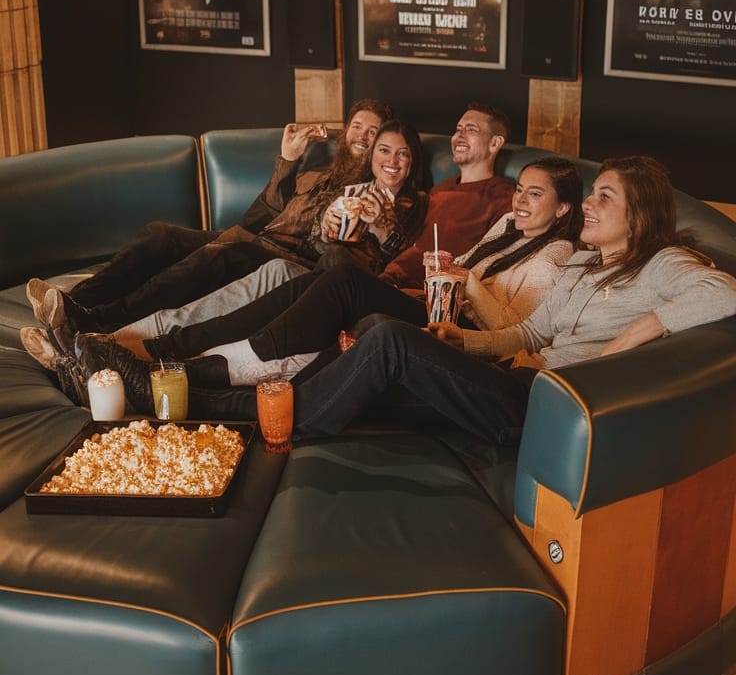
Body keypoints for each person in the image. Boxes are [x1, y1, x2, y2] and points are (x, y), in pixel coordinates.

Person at [73, 158, 736, 452]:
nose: (590, 204)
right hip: (511, 377)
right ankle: (178, 384)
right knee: (356, 318)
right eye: (592, 193)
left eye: (604, 197)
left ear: (640, 214)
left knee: (387, 338)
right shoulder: (587, 264)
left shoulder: (662, 265)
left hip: (543, 408)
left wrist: (639, 334)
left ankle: (183, 378)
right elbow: (529, 334)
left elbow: (727, 291)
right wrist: (460, 342)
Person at [69, 156, 584, 407]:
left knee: (341, 278)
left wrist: (466, 282)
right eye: (520, 189)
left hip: (461, 337)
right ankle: (159, 349)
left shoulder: (558, 254)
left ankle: (206, 360)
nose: (520, 200)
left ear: (563, 209)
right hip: (433, 308)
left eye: (535, 195)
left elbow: (516, 330)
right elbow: (458, 272)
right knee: (314, 280)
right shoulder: (507, 227)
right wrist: (440, 277)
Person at [25, 99, 392, 343]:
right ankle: (72, 303)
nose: (362, 136)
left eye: (372, 132)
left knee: (215, 255)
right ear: (345, 131)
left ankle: (96, 322)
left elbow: (356, 257)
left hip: (287, 264)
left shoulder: (372, 196)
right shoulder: (315, 171)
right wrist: (287, 160)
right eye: (356, 126)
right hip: (255, 240)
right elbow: (256, 218)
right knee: (160, 234)